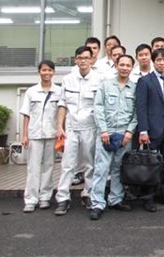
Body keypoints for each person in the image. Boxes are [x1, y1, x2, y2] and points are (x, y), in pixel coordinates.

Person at [54, 46, 102, 216]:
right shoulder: (68, 79)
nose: (83, 61)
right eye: (80, 58)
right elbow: (62, 104)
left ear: (91, 60)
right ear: (75, 60)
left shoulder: (98, 79)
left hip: (90, 127)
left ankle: (88, 194)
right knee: (68, 164)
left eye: (86, 58)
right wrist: (60, 126)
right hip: (71, 128)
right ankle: (63, 198)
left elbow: (100, 106)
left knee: (90, 164)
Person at [89, 54, 137, 220]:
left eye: (128, 65)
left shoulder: (135, 87)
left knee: (118, 168)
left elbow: (137, 113)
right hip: (106, 133)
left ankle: (115, 199)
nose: (124, 68)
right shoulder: (105, 85)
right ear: (116, 66)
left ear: (132, 67)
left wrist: (129, 132)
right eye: (121, 64)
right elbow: (98, 108)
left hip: (124, 134)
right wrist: (103, 130)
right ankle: (97, 203)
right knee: (101, 169)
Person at [136, 48, 164, 212]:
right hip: (152, 129)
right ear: (153, 62)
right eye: (159, 60)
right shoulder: (145, 81)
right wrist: (143, 130)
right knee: (151, 165)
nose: (162, 63)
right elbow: (141, 108)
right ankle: (149, 198)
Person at [21, 60, 60, 213]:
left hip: (51, 134)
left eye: (50, 70)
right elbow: (26, 115)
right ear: (39, 72)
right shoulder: (31, 92)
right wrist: (24, 135)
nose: (47, 73)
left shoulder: (59, 91)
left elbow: (61, 114)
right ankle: (30, 199)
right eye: (44, 70)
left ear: (54, 73)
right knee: (33, 168)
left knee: (49, 167)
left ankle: (45, 197)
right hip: (34, 135)